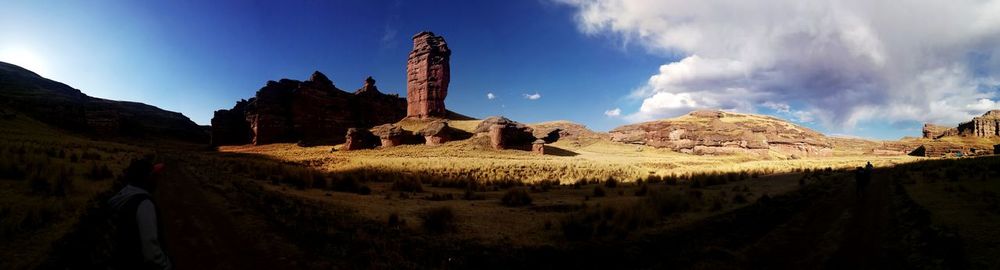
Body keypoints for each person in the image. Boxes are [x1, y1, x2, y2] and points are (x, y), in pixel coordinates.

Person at [109, 158, 172, 270]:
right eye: (154, 175)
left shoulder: (124, 195)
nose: (157, 179)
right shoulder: (144, 204)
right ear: (146, 179)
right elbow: (151, 252)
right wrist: (166, 265)